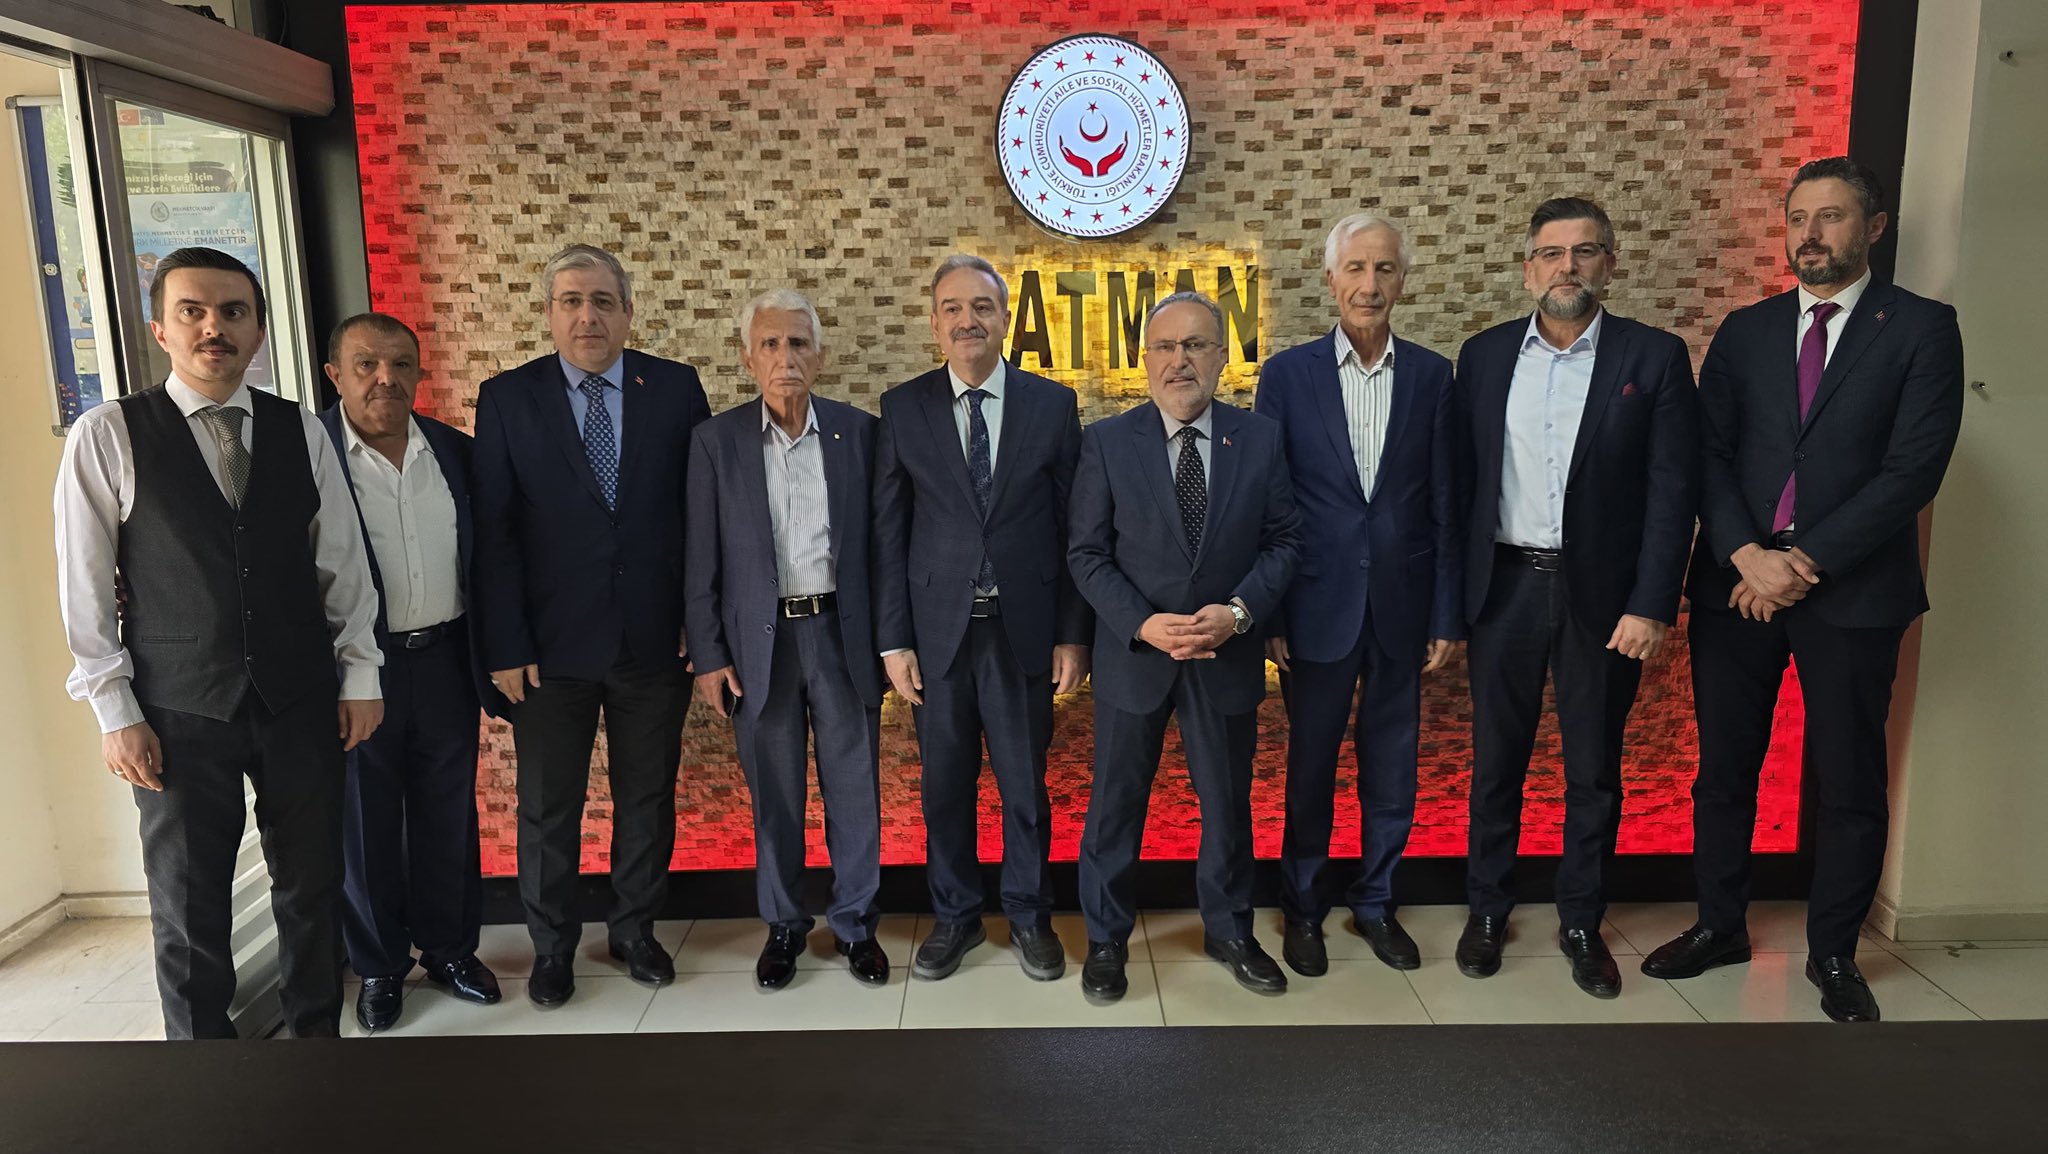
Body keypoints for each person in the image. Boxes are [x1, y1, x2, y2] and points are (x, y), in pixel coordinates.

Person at [1644, 157, 1965, 1023]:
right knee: (1724, 772)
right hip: (1737, 590)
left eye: (1831, 216)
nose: (1810, 234)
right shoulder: (1746, 331)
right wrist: (1747, 554)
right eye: (1798, 218)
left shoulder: (1921, 329)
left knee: (1850, 779)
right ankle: (1719, 926)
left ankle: (1833, 951)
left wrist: (1804, 561)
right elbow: (1708, 455)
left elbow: (1912, 469)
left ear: (1874, 228)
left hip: (1852, 594)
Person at [54, 246, 384, 1038]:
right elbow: (84, 587)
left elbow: (340, 563)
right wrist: (114, 712)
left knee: (311, 886)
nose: (214, 328)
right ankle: (203, 1071)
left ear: (258, 330)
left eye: (233, 312)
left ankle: (315, 1048)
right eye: (193, 312)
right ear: (160, 330)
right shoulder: (109, 433)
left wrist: (361, 674)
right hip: (175, 708)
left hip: (300, 697)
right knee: (189, 901)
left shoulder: (299, 429)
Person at [1453, 198, 1700, 998]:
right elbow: (1459, 485)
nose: (1568, 267)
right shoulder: (1484, 356)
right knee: (1497, 765)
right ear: (1528, 269)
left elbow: (1672, 492)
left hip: (1606, 601)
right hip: (1503, 589)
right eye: (1552, 253)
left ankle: (1582, 922)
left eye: (1585, 251)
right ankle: (1487, 909)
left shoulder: (1653, 357)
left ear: (1610, 264)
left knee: (1593, 771)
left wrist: (1653, 603)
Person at [472, 244, 710, 1007]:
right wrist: (506, 644)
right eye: (572, 301)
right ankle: (552, 947)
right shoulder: (507, 398)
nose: (588, 316)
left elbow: (700, 517)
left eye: (603, 301)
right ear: (548, 313)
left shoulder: (674, 388)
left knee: (647, 797)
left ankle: (635, 930)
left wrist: (698, 621)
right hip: (548, 651)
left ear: (628, 312)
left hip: (654, 641)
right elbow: (494, 534)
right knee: (548, 808)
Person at [1069, 291, 1303, 1003]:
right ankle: (1106, 939)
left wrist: (1238, 613)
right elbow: (1086, 553)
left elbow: (1285, 541)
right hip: (1135, 659)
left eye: (1196, 345)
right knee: (1115, 807)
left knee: (1228, 806)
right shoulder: (1107, 442)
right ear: (1145, 361)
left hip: (1225, 655)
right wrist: (1141, 623)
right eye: (1166, 347)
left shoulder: (1259, 438)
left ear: (1223, 357)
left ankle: (1229, 931)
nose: (1181, 360)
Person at [872, 255, 1090, 983]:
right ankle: (956, 916)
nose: (968, 320)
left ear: (1005, 319)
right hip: (937, 637)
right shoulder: (902, 408)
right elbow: (889, 533)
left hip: (1024, 631)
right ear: (935, 324)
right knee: (945, 789)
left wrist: (1072, 632)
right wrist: (894, 639)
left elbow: (1074, 531)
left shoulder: (1052, 405)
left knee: (1025, 788)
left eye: (982, 307)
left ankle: (1029, 916)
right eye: (953, 308)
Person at [1256, 214, 1463, 977]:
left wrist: (1447, 613)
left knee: (1393, 768)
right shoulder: (1288, 375)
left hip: (1403, 608)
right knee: (1310, 768)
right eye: (1355, 268)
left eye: (1383, 269)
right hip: (1314, 608)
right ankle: (1303, 909)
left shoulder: (1433, 376)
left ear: (1402, 280)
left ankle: (1375, 903)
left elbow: (1445, 503)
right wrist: (1271, 613)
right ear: (1331, 278)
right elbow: (1269, 504)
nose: (1368, 284)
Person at [685, 290, 890, 989]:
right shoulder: (715, 443)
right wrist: (709, 655)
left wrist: (891, 642)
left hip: (842, 636)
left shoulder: (861, 434)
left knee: (854, 789)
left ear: (820, 356)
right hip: (758, 647)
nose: (785, 357)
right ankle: (783, 924)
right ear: (747, 359)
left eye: (798, 343)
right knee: (774, 794)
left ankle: (856, 924)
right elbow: (700, 559)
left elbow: (882, 548)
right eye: (770, 344)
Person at [320, 313, 502, 1031]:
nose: (384, 379)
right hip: (356, 670)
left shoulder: (456, 452)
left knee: (447, 813)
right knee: (363, 823)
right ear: (335, 375)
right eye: (366, 364)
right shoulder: (310, 455)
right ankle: (379, 965)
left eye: (400, 364)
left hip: (446, 659)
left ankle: (451, 951)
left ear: (420, 374)